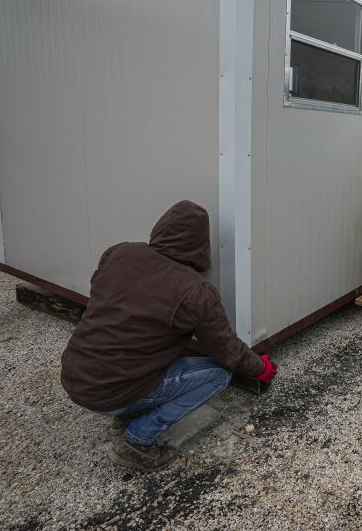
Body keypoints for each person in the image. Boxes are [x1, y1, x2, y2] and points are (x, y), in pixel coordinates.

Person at [61, 200, 277, 471]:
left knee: (136, 363)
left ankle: (124, 411)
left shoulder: (119, 253)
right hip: (115, 391)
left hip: (74, 377)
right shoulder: (196, 291)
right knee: (219, 374)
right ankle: (137, 441)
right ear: (201, 244)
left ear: (161, 227)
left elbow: (101, 297)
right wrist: (260, 367)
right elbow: (226, 350)